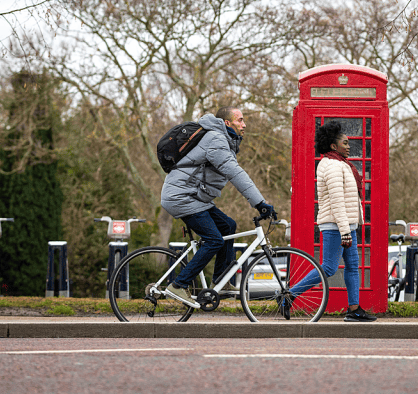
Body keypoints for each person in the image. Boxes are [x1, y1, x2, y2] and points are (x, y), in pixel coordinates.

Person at [160, 107, 277, 308]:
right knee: (214, 239)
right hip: (181, 197)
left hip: (194, 197)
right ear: (227, 123)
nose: (244, 125)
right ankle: (178, 285)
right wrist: (259, 203)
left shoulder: (222, 140)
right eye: (240, 120)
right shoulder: (216, 139)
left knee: (228, 226)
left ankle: (220, 281)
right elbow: (235, 173)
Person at [284, 121, 377, 322]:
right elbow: (337, 201)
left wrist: (352, 225)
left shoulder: (340, 164)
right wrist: (345, 230)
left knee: (353, 266)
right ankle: (289, 295)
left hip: (346, 225)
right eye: (345, 142)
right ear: (334, 146)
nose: (349, 145)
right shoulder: (332, 166)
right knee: (328, 267)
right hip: (336, 226)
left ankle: (354, 309)